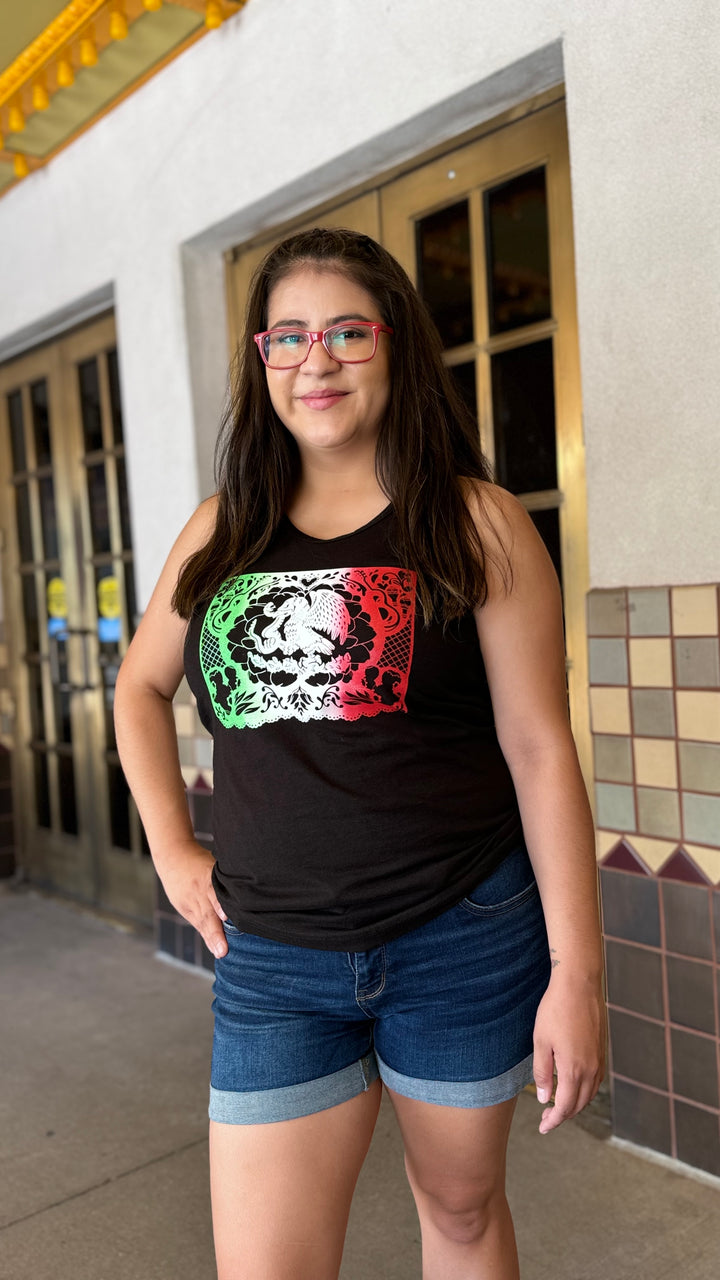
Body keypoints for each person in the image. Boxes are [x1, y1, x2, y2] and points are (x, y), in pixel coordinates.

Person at [114, 226, 605, 1280]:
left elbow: (538, 747)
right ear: (261, 361)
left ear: (396, 348)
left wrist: (580, 969)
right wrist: (171, 846)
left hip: (460, 934)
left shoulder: (477, 523)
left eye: (346, 330)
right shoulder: (218, 533)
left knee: (463, 1212)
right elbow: (139, 689)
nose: (315, 359)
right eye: (286, 336)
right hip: (276, 957)